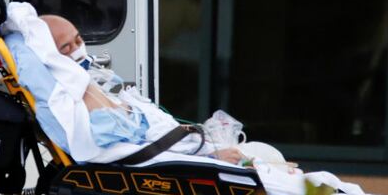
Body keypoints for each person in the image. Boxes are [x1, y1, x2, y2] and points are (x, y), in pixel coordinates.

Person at [39, 14, 246, 164]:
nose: (78, 50)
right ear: (54, 59)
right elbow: (141, 152)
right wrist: (209, 157)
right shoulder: (77, 98)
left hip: (181, 147)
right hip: (175, 158)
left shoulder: (94, 85)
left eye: (79, 40)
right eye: (67, 48)